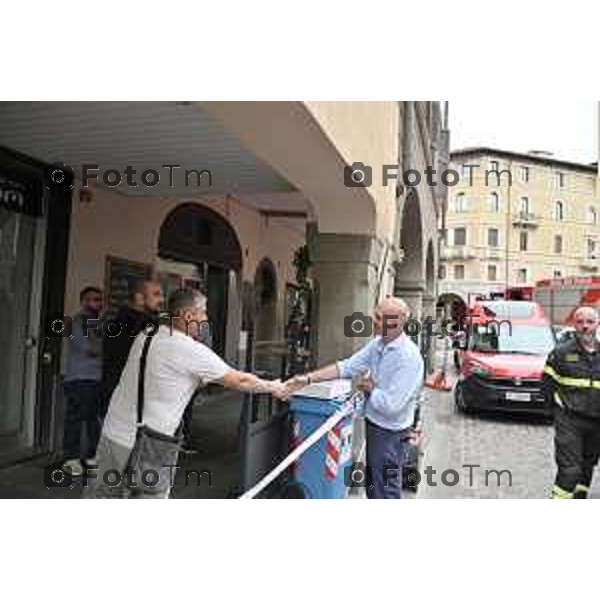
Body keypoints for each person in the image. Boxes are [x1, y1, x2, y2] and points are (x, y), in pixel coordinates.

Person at [85, 288, 288, 499]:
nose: (207, 319)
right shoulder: (190, 350)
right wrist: (275, 387)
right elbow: (240, 380)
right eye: (204, 313)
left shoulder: (146, 335)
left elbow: (167, 376)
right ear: (188, 316)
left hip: (113, 434)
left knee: (99, 498)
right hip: (151, 445)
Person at [286, 297, 424, 499]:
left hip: (390, 434)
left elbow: (392, 405)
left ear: (397, 323)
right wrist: (307, 379)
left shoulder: (408, 357)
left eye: (379, 317)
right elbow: (347, 367)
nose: (373, 320)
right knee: (374, 487)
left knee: (385, 491)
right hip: (375, 426)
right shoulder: (378, 344)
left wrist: (370, 388)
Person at [543, 305, 600, 499]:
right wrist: (556, 414)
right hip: (569, 420)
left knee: (587, 466)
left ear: (597, 324)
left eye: (590, 322)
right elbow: (546, 386)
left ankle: (579, 498)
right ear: (574, 324)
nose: (585, 326)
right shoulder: (561, 353)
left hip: (596, 422)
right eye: (581, 322)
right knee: (570, 470)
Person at [101, 279, 164, 415]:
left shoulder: (116, 322)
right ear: (139, 298)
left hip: (118, 395)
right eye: (156, 294)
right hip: (132, 398)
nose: (162, 299)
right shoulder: (145, 325)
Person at [61, 286, 104, 476]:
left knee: (93, 419)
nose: (98, 303)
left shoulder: (97, 323)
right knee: (75, 419)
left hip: (96, 378)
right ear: (83, 301)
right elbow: (92, 349)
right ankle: (71, 459)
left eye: (100, 299)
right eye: (93, 299)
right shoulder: (75, 322)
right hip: (79, 378)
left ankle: (92, 456)